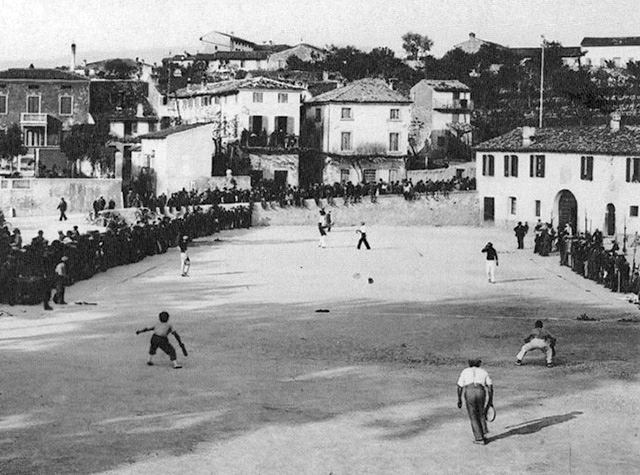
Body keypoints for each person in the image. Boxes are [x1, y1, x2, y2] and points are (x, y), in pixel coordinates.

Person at [457, 358, 493, 445]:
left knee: (473, 415)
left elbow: (459, 387)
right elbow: (490, 387)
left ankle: (479, 438)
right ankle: (483, 432)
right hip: (481, 391)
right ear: (479, 364)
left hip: (469, 392)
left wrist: (459, 399)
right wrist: (490, 401)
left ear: (469, 364)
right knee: (481, 412)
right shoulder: (484, 371)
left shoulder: (465, 371)